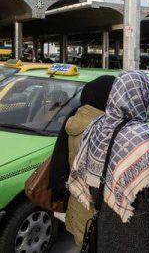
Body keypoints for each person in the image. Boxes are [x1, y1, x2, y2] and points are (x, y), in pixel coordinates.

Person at [68, 71, 149, 252]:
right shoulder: (142, 138)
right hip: (142, 233)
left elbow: (86, 174)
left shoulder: (95, 127)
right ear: (141, 96)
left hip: (107, 226)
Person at [48, 75, 115, 246]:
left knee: (84, 243)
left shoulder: (75, 118)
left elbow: (60, 159)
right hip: (102, 213)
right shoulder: (107, 129)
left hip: (79, 205)